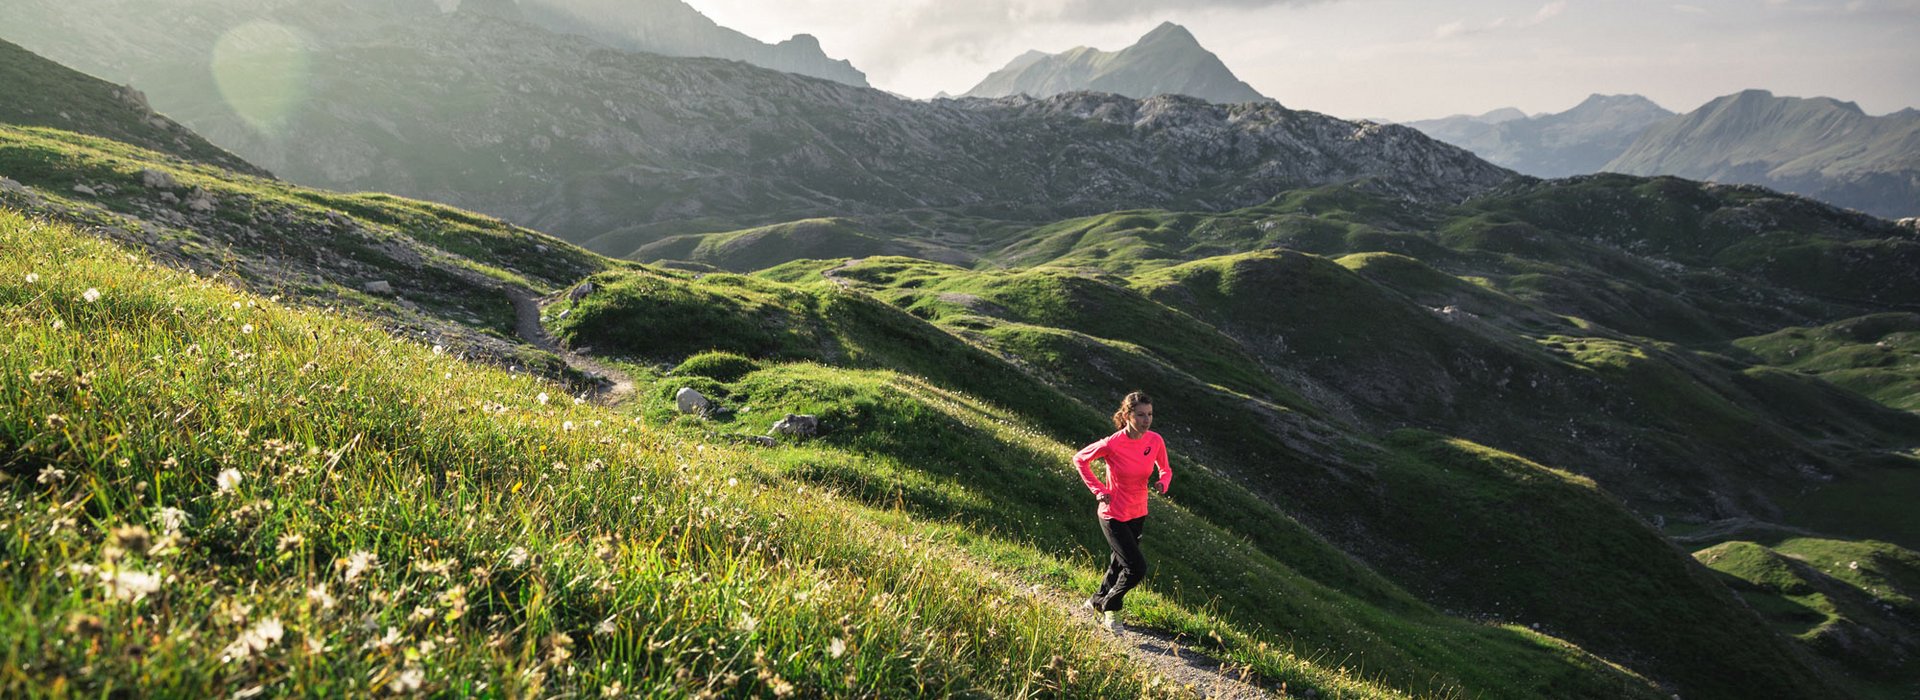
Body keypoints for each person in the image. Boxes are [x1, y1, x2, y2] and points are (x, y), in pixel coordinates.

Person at [1073, 391, 1170, 634]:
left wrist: (1162, 482)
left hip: (1138, 513)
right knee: (1136, 568)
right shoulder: (1112, 444)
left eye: (1149, 414)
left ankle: (1096, 601)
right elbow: (1079, 459)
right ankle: (1111, 607)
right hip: (1113, 513)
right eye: (1140, 415)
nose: (1146, 420)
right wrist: (1099, 489)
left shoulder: (1155, 440)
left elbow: (1165, 469)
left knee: (1119, 563)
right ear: (1127, 415)